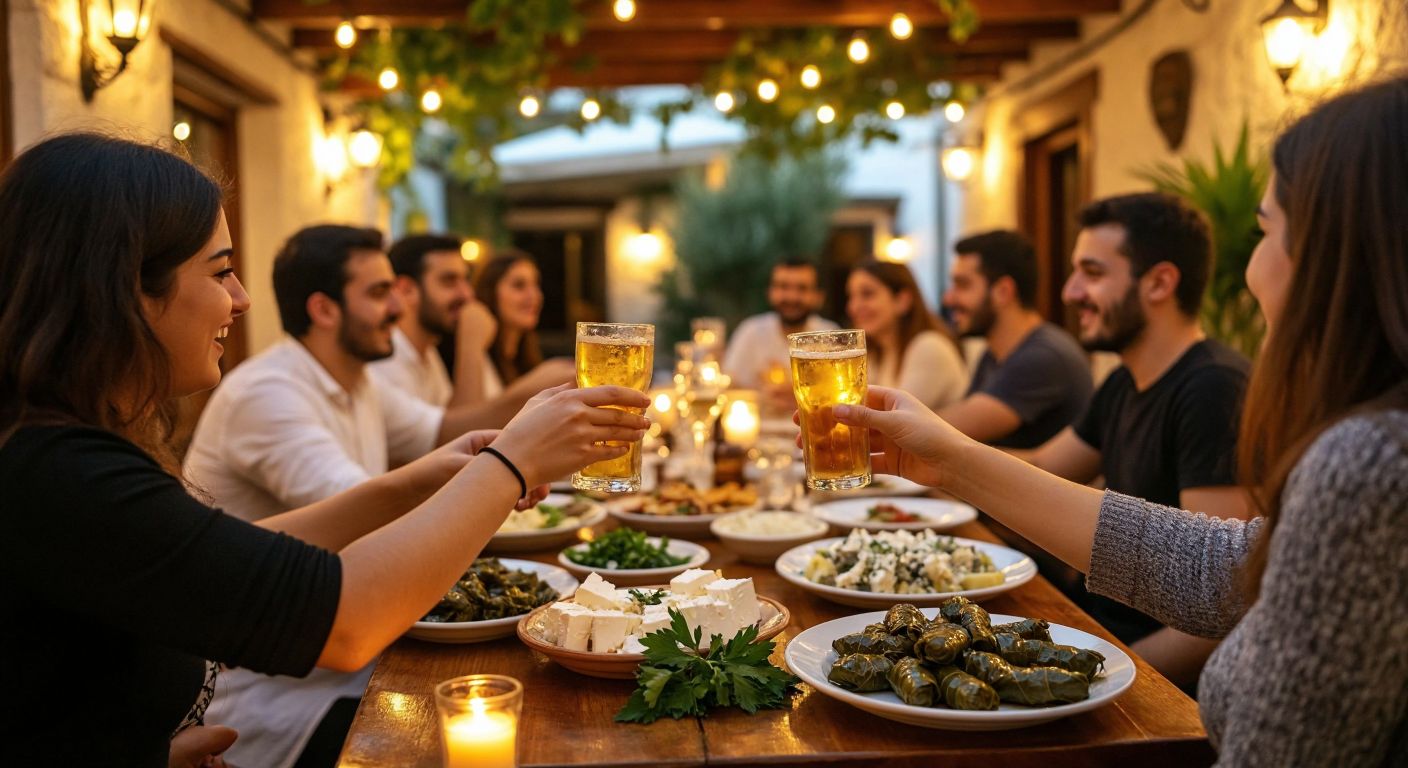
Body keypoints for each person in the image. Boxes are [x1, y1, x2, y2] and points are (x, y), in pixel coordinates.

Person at [0, 133, 648, 766]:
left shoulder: (63, 455)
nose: (241, 299)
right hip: (279, 709)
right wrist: (510, 467)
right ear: (124, 290)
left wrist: (415, 482)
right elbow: (345, 619)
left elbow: (228, 555)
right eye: (221, 271)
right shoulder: (57, 474)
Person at [829, 78, 1408, 765]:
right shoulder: (1367, 448)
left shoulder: (1370, 464)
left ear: (1341, 254)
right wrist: (949, 460)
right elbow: (1225, 567)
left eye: (1265, 230)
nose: (1252, 266)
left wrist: (1103, 679)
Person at [181, 226, 568, 766]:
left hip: (355, 648)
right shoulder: (268, 393)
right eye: (380, 293)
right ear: (325, 309)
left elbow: (441, 433)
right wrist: (512, 463)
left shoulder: (359, 379)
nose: (398, 307)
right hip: (278, 696)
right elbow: (368, 523)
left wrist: (527, 421)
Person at [1020, 192, 1253, 689]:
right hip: (1093, 632)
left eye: (1092, 272)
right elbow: (1042, 468)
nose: (1069, 291)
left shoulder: (1213, 389)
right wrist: (930, 458)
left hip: (1138, 674)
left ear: (1161, 282)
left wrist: (1105, 678)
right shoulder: (1125, 381)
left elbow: (1223, 603)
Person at [372, 235, 570, 409]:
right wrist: (471, 344)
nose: (467, 294)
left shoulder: (428, 353)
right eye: (449, 281)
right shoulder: (385, 360)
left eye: (465, 280)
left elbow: (453, 425)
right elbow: (461, 433)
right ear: (407, 289)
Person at [939, 230, 1093, 448]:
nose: (949, 298)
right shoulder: (994, 354)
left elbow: (949, 431)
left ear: (1003, 291)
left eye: (962, 285)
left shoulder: (1043, 356)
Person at [846, 259, 967, 410]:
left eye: (867, 294)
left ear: (902, 300)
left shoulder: (928, 347)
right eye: (851, 296)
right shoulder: (879, 352)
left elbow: (892, 421)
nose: (854, 306)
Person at [722, 256, 837, 414]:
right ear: (770, 292)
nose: (791, 297)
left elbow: (844, 399)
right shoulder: (750, 332)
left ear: (818, 296)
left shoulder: (831, 336)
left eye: (802, 288)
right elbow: (727, 387)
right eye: (783, 287)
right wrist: (762, 397)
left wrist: (804, 397)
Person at [459, 249, 574, 404]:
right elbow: (470, 417)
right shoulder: (476, 354)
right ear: (490, 292)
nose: (534, 296)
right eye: (519, 286)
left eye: (536, 285)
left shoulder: (526, 356)